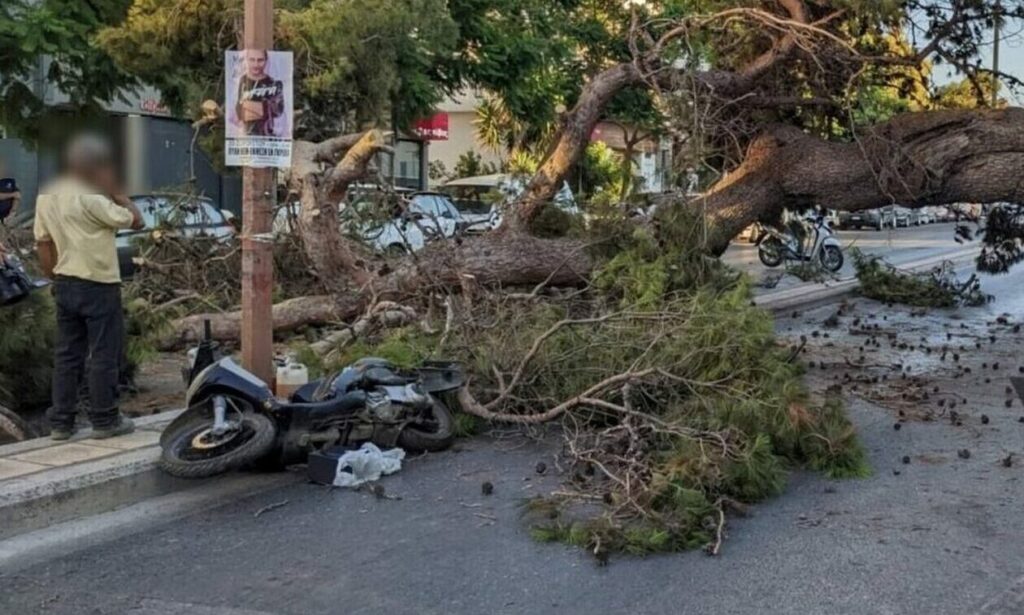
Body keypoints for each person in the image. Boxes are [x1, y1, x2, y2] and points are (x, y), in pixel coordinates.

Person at [33, 134, 144, 440]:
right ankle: (105, 420)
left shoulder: (47, 196)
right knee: (104, 354)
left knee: (67, 354)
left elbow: (43, 243)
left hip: (66, 283)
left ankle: (61, 422)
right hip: (98, 284)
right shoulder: (91, 198)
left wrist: (54, 277)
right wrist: (118, 193)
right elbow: (136, 221)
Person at [234, 48, 285, 137]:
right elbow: (240, 112)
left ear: (266, 60)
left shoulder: (273, 83)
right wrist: (261, 109)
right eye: (252, 60)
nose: (256, 64)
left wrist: (247, 105)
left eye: (260, 60)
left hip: (268, 136)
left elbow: (277, 110)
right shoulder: (243, 80)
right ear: (246, 60)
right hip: (246, 137)